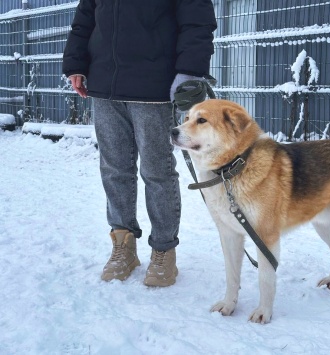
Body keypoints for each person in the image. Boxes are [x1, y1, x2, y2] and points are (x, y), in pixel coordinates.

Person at [62, 0, 217, 287]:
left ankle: (163, 251)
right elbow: (85, 19)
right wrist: (76, 64)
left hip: (154, 86)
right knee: (114, 169)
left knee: (157, 172)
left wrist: (190, 71)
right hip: (105, 85)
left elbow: (197, 19)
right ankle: (123, 246)